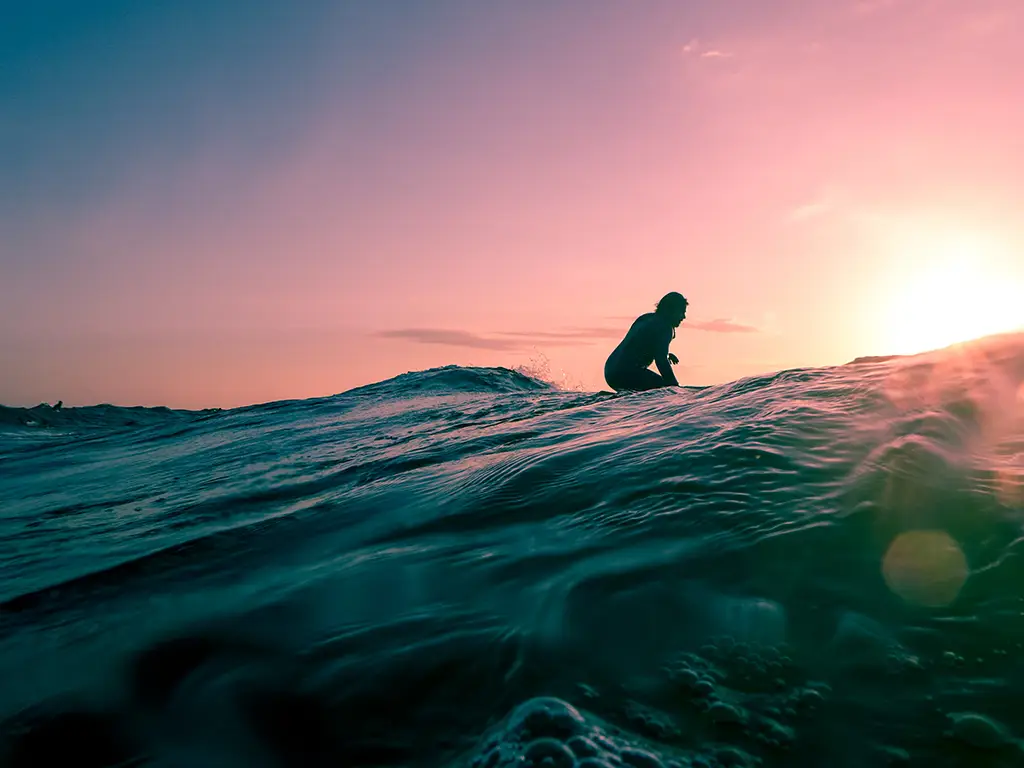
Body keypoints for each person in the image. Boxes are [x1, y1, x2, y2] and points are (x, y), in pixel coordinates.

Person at [604, 292, 688, 392]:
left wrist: (666, 354)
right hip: (626, 372)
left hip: (610, 370)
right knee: (664, 390)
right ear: (671, 310)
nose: (683, 317)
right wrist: (675, 388)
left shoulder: (646, 318)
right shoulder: (665, 327)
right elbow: (661, 361)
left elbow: (638, 344)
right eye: (681, 312)